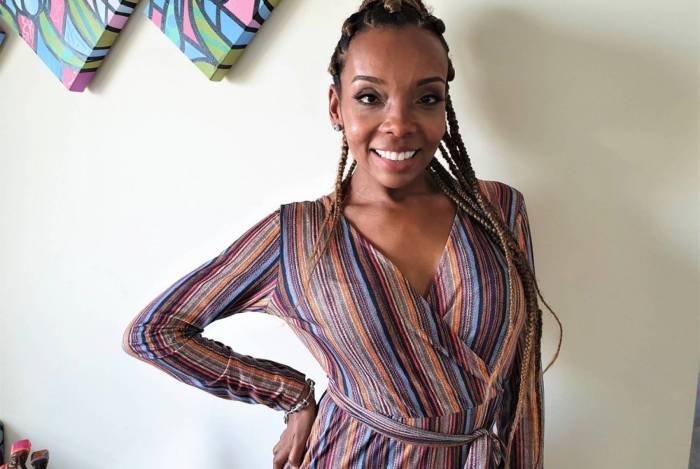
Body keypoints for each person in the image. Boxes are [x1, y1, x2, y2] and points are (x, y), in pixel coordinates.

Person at [121, 1, 563, 467]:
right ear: (336, 106)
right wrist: (290, 394)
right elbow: (155, 332)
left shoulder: (497, 209)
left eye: (426, 98)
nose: (399, 124)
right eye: (370, 97)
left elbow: (523, 374)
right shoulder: (296, 237)